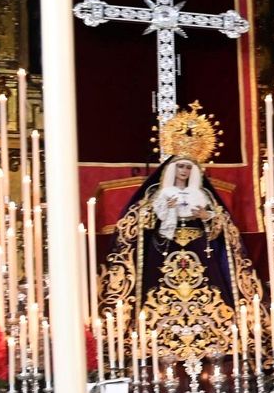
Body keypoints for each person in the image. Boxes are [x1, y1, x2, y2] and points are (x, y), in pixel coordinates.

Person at [101, 121, 260, 364]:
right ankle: (157, 341)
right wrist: (165, 208)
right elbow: (144, 221)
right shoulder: (159, 192)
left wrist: (206, 217)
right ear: (172, 169)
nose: (184, 171)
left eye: (188, 168)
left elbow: (223, 227)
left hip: (200, 248)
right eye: (180, 167)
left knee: (213, 289)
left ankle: (217, 340)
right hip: (166, 248)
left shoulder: (204, 194)